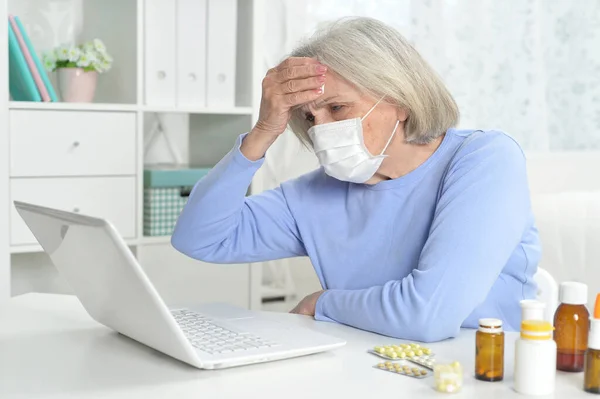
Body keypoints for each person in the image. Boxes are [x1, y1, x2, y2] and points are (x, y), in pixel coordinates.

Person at [172, 17, 540, 342]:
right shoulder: (314, 194)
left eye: (336, 108)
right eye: (310, 118)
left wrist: (324, 303)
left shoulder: (485, 159)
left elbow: (429, 314)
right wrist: (263, 131)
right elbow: (199, 238)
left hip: (483, 373)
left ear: (399, 98)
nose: (322, 130)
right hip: (369, 369)